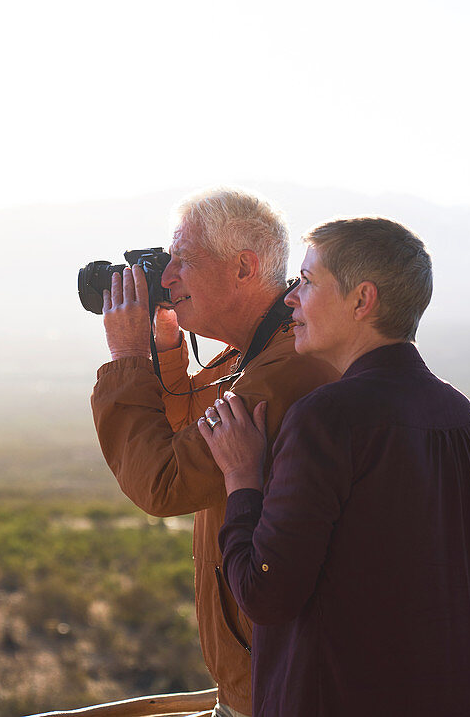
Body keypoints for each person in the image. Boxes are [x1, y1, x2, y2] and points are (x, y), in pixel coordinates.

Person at [199, 217, 470, 716]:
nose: (290, 298)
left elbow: (265, 593)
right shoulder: (466, 419)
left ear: (361, 300)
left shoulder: (327, 419)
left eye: (307, 282)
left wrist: (240, 477)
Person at [91, 187, 337, 717]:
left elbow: (165, 480)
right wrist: (164, 346)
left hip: (281, 686)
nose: (168, 277)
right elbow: (185, 433)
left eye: (183, 261)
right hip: (259, 679)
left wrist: (126, 355)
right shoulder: (254, 354)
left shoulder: (285, 368)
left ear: (244, 268)